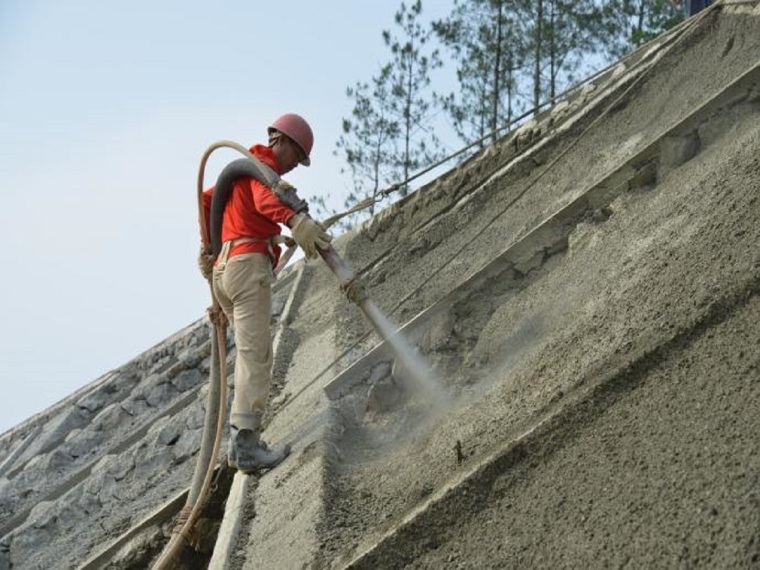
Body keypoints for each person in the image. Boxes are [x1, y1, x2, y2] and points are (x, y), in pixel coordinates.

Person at [200, 113, 332, 472]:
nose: (293, 167)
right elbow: (265, 202)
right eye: (296, 157)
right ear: (283, 142)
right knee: (256, 356)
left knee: (246, 356)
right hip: (245, 268)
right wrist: (295, 220)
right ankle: (246, 446)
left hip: (225, 271)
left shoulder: (243, 170)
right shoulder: (263, 169)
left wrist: (210, 248)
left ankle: (236, 446)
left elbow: (208, 201)